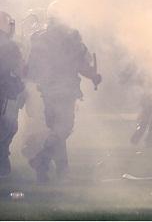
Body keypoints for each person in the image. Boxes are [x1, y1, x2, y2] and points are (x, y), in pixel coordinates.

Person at [26, 15, 101, 183]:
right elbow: (82, 65)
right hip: (64, 90)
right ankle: (41, 159)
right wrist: (93, 76)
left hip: (48, 91)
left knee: (57, 130)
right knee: (64, 128)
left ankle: (60, 170)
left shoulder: (40, 38)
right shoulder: (71, 38)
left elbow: (31, 69)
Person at [0, 12, 24, 177]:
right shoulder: (10, 46)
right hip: (6, 93)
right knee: (8, 127)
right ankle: (2, 160)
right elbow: (19, 69)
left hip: (6, 91)